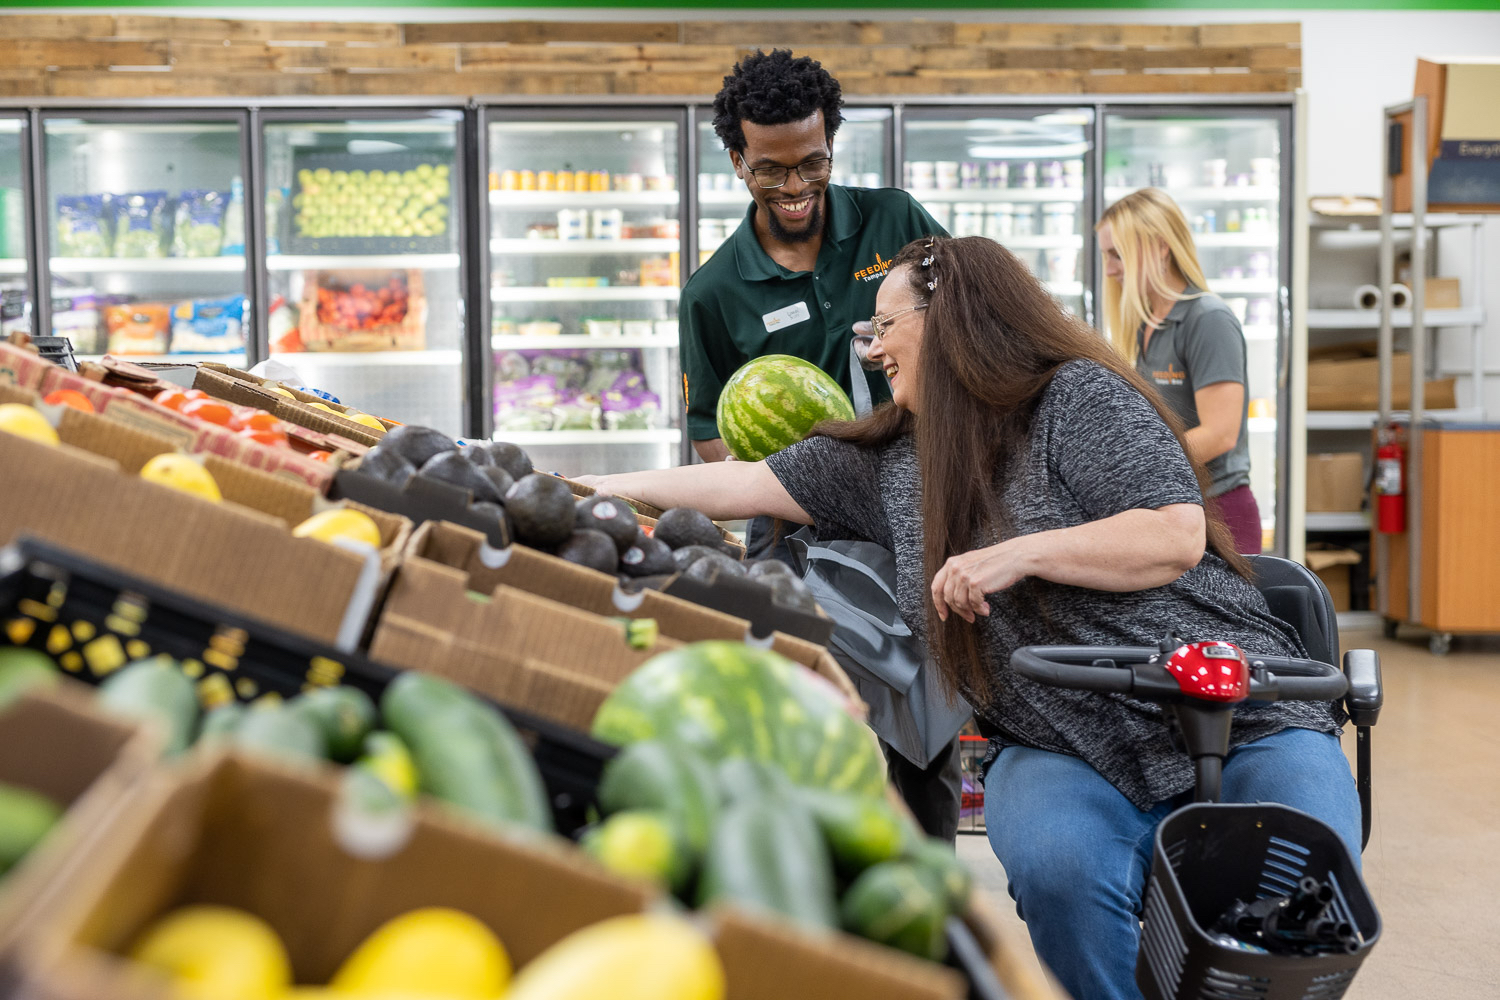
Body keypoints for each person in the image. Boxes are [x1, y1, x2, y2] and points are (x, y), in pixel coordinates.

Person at [578, 235, 1359, 1000]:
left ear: (952, 316)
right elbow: (736, 485)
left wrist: (1019, 552)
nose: (872, 349)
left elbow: (1172, 533)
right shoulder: (883, 464)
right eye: (867, 332)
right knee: (1061, 874)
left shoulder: (1077, 396)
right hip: (1061, 742)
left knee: (1302, 885)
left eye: (883, 326)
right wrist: (576, 486)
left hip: (1245, 711)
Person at [679, 48, 955, 837]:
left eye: (812, 164)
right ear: (737, 158)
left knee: (920, 732)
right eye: (770, 171)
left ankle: (925, 884)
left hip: (912, 504)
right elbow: (710, 439)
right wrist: (800, 478)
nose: (795, 189)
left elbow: (974, 327)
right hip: (788, 529)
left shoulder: (896, 222)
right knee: (795, 715)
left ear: (831, 144)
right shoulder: (713, 292)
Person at [1097, 187, 1263, 554]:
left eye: (1117, 255)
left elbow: (1220, 434)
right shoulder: (1142, 325)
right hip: (1171, 505)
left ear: (1160, 247)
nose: (1109, 270)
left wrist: (1136, 464)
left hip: (1220, 511)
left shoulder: (1208, 319)